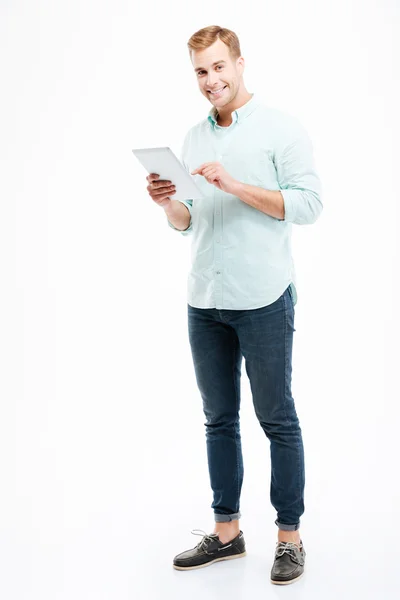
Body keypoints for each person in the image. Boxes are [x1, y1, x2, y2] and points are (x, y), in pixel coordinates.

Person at [146, 25, 322, 585]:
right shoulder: (193, 138)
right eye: (201, 71)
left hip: (264, 298)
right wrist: (169, 203)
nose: (211, 80)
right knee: (218, 420)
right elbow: (189, 221)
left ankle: (289, 538)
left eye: (219, 67)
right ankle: (227, 533)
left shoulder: (281, 129)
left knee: (277, 419)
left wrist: (237, 185)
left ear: (240, 64)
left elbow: (309, 204)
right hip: (206, 299)